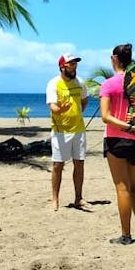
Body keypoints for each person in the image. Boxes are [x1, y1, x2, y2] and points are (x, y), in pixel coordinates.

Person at [100, 43, 135, 245]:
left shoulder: (109, 84)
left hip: (117, 139)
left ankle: (126, 235)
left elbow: (105, 117)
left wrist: (127, 125)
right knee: (134, 186)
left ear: (114, 59)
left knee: (122, 187)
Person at [46, 53, 88, 211]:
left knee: (79, 163)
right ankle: (55, 199)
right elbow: (52, 106)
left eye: (75, 63)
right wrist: (60, 109)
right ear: (63, 66)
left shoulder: (80, 82)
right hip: (60, 131)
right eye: (71, 64)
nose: (74, 66)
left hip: (79, 129)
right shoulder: (54, 83)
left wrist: (78, 112)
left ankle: (78, 198)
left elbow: (84, 100)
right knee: (58, 165)